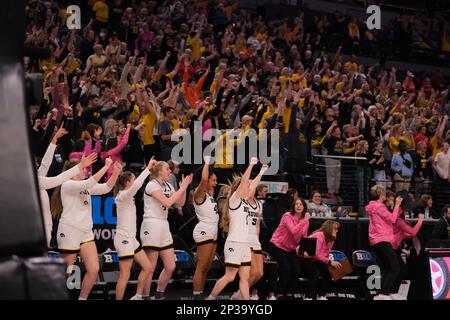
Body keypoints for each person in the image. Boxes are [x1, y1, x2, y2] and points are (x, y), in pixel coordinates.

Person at [51, 157, 121, 300]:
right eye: (83, 168)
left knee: (94, 269)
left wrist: (115, 173)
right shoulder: (67, 184)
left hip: (85, 232)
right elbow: (90, 182)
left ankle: (82, 298)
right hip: (70, 231)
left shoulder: (85, 185)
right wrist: (106, 167)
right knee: (67, 272)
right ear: (73, 171)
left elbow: (105, 188)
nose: (85, 170)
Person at [206, 158, 259, 300]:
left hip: (245, 244)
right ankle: (210, 298)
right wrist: (251, 165)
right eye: (246, 186)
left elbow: (253, 185)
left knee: (245, 277)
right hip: (234, 243)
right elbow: (246, 181)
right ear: (240, 187)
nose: (249, 188)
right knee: (230, 276)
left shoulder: (247, 203)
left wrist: (262, 171)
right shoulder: (234, 200)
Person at [141, 161, 193, 300]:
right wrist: (181, 189)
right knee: (150, 267)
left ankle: (158, 295)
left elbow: (179, 203)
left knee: (170, 265)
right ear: (159, 171)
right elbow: (167, 202)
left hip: (164, 225)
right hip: (151, 224)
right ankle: (145, 296)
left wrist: (184, 187)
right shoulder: (152, 185)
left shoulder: (168, 185)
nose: (169, 171)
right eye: (167, 169)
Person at [39, 127, 97, 248]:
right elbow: (58, 179)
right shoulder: (36, 182)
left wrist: (54, 139)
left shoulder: (38, 178)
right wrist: (80, 166)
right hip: (37, 230)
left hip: (46, 229)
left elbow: (45, 163)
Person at [113, 158, 157, 300]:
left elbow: (136, 185)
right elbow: (137, 185)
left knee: (148, 267)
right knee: (124, 275)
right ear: (127, 183)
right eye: (133, 179)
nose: (136, 180)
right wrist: (148, 168)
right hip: (123, 239)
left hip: (132, 239)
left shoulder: (128, 197)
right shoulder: (122, 196)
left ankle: (138, 296)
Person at [230, 165, 269, 300]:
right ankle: (241, 295)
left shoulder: (259, 204)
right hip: (244, 239)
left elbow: (257, 225)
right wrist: (260, 171)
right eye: (250, 184)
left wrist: (256, 240)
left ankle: (240, 294)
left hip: (254, 239)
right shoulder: (243, 201)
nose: (252, 186)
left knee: (259, 273)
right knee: (250, 272)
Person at [365, 185, 403, 300]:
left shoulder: (374, 206)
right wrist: (397, 205)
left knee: (388, 268)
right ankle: (381, 294)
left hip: (377, 240)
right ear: (381, 195)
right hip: (381, 239)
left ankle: (387, 292)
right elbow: (392, 219)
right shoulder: (379, 207)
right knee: (395, 267)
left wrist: (392, 206)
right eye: (384, 194)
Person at [269, 197, 310, 299]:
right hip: (278, 245)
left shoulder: (306, 221)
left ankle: (289, 292)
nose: (298, 206)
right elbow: (293, 231)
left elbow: (304, 237)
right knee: (285, 268)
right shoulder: (287, 216)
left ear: (304, 207)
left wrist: (304, 249)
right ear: (293, 206)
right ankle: (279, 292)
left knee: (296, 270)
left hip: (291, 248)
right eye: (296, 204)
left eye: (301, 204)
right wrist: (304, 221)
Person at [191, 156, 219, 299]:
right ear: (207, 179)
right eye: (213, 180)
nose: (216, 183)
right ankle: (196, 296)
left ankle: (200, 293)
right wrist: (207, 163)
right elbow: (203, 180)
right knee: (202, 266)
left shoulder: (209, 195)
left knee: (207, 267)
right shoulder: (199, 193)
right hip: (204, 230)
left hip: (213, 231)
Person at [298, 220, 342, 300]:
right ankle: (308, 297)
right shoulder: (319, 236)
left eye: (337, 229)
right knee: (314, 271)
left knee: (330, 269)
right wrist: (330, 261)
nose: (337, 230)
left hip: (314, 259)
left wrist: (329, 263)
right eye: (335, 229)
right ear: (329, 228)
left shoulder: (331, 239)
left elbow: (325, 254)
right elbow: (316, 255)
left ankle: (321, 295)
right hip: (303, 257)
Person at [391, 210, 424, 300]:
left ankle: (393, 292)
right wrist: (420, 220)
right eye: (404, 212)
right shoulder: (398, 221)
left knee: (402, 269)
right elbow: (412, 232)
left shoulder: (400, 222)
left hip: (395, 248)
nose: (406, 213)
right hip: (391, 248)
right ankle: (387, 292)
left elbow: (408, 235)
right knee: (396, 269)